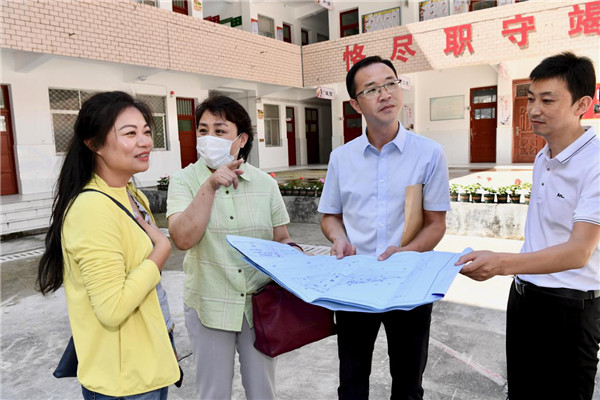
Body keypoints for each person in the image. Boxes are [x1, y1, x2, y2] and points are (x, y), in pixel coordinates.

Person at [456, 52, 600, 400]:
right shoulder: (542, 156)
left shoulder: (595, 162)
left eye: (547, 100)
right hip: (524, 298)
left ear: (582, 104)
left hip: (570, 309)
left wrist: (502, 264)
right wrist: (513, 272)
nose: (534, 110)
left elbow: (579, 251)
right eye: (531, 99)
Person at [318, 56, 450, 399]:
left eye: (391, 83)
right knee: (352, 381)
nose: (386, 94)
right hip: (355, 284)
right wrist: (339, 238)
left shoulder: (429, 154)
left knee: (408, 384)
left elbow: (436, 224)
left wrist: (406, 252)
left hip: (410, 284)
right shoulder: (341, 158)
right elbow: (330, 216)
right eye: (372, 89)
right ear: (355, 103)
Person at [36, 91, 180, 399]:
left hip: (149, 358)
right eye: (130, 133)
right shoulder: (92, 209)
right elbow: (112, 309)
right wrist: (160, 252)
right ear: (94, 144)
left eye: (146, 132)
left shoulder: (130, 193)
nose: (145, 142)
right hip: (123, 380)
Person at [166, 94, 300, 400]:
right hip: (209, 304)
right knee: (213, 393)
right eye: (203, 130)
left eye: (220, 130)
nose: (209, 138)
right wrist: (210, 185)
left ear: (241, 139)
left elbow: (281, 237)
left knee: (262, 391)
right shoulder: (184, 181)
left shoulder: (265, 183)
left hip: (259, 307)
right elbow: (182, 239)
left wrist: (293, 253)